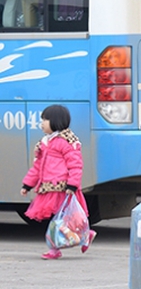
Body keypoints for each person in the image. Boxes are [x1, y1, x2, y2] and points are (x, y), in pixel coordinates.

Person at [20, 105, 96, 260]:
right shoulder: (44, 142)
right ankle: (85, 234)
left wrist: (72, 185)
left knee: (61, 219)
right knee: (58, 219)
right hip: (47, 188)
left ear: (55, 121)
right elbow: (37, 167)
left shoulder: (66, 141)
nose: (41, 124)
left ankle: (56, 248)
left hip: (63, 188)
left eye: (44, 120)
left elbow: (75, 165)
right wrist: (28, 184)